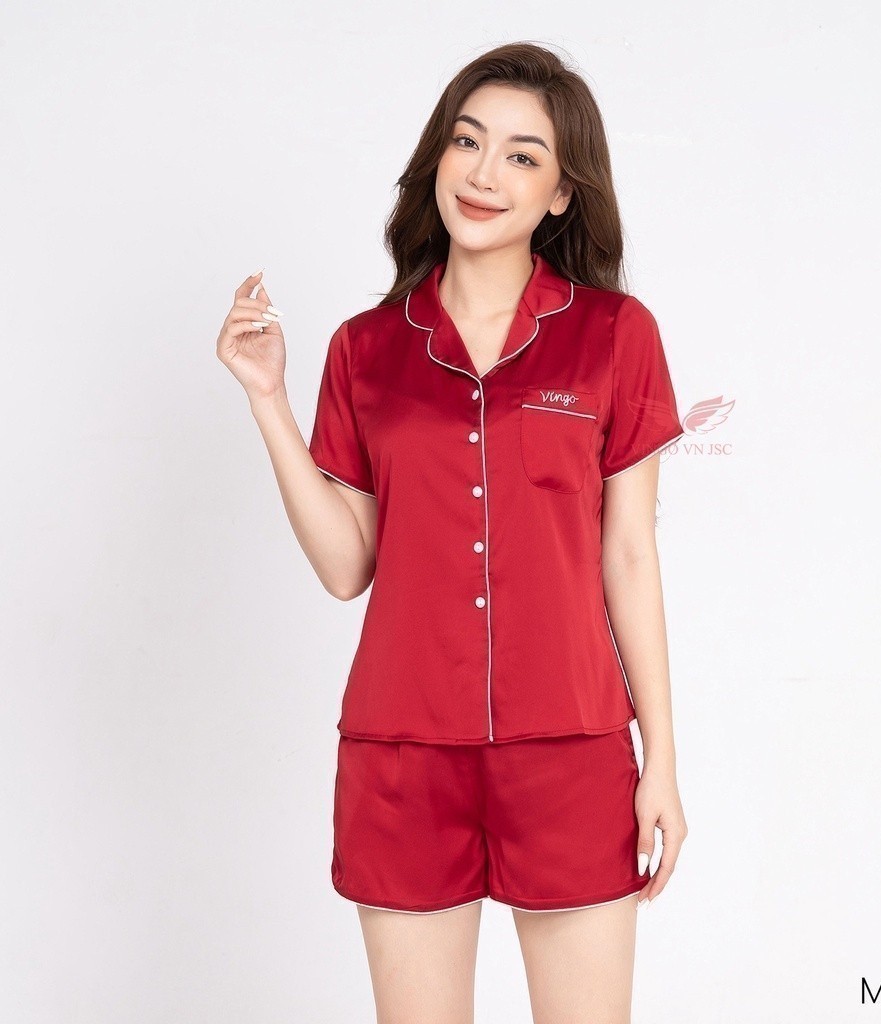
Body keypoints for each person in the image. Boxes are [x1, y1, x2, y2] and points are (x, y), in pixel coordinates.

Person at [217, 41, 689, 1024]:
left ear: (562, 194)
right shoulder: (366, 349)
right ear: (437, 156)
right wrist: (268, 399)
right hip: (403, 758)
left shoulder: (615, 335)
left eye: (523, 155)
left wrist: (662, 761)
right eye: (467, 142)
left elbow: (629, 556)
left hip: (570, 751)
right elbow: (346, 565)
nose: (484, 173)